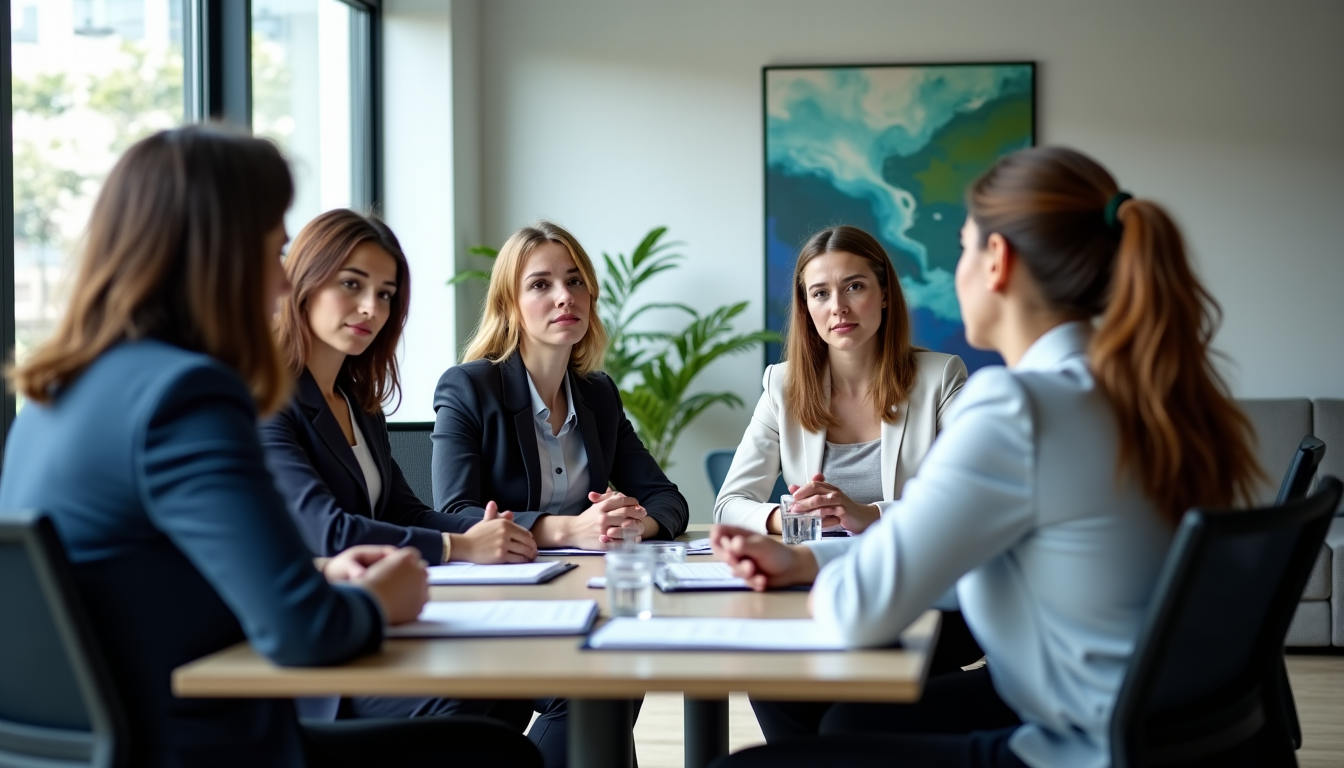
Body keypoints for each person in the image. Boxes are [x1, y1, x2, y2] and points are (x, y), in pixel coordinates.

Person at [0, 126, 542, 768]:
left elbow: (147, 575)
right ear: (218, 253)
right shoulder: (188, 395)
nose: (281, 283)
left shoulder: (54, 394)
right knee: (501, 751)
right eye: (274, 249)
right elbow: (302, 632)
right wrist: (377, 602)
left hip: (93, 747)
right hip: (206, 745)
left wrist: (317, 573)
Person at [710, 146, 1263, 768]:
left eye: (963, 248)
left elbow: (857, 610)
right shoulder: (1141, 388)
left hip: (1074, 742)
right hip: (1168, 727)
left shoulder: (1017, 408)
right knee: (848, 721)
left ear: (996, 262)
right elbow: (970, 547)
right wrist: (808, 554)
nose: (956, 270)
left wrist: (817, 570)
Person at [261, 208, 539, 726]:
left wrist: (491, 532)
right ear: (303, 284)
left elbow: (404, 510)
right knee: (468, 704)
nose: (371, 307)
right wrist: (461, 547)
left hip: (381, 627)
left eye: (386, 294)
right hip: (314, 652)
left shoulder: (359, 404)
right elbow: (328, 532)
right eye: (352, 284)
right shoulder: (269, 402)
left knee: (513, 687)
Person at [432, 220, 687, 765]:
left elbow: (667, 498)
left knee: (619, 672)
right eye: (541, 284)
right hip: (493, 612)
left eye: (575, 281)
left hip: (576, 604)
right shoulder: (470, 386)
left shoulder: (597, 395)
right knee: (606, 686)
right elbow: (454, 512)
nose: (563, 296)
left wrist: (632, 524)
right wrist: (565, 529)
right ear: (510, 303)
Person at [712, 224, 968, 740]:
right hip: (815, 583)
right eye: (820, 293)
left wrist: (869, 515)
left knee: (854, 704)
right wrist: (781, 516)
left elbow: (962, 508)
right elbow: (729, 504)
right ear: (806, 307)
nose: (839, 307)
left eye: (854, 286)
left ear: (885, 295)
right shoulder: (781, 386)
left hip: (920, 587)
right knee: (771, 675)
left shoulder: (942, 378)